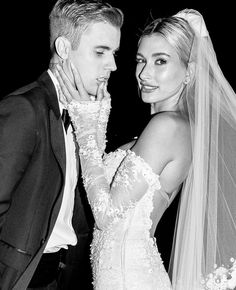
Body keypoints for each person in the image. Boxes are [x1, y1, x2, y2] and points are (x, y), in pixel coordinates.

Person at [55, 8, 236, 290]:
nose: (144, 73)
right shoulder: (173, 127)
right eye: (141, 60)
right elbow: (102, 184)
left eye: (160, 61)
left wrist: (87, 127)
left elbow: (106, 214)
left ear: (189, 72)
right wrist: (97, 119)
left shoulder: (167, 126)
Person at [0, 0, 123, 289]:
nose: (113, 65)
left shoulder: (85, 113)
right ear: (64, 49)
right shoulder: (25, 109)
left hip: (60, 277)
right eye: (100, 52)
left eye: (114, 53)